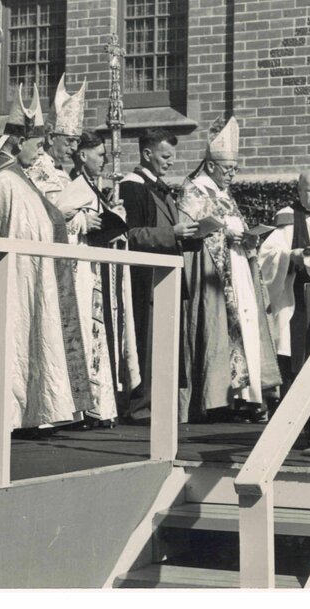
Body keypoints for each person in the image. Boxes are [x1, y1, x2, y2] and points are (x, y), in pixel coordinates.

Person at [0, 84, 91, 434]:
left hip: (34, 280)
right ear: (18, 141)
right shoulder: (2, 182)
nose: (43, 150)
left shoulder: (22, 179)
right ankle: (9, 416)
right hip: (11, 283)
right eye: (38, 143)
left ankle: (32, 412)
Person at [179, 116, 281, 423]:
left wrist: (248, 237)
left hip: (238, 273)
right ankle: (217, 399)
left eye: (235, 170)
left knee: (246, 330)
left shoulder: (224, 194)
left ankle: (243, 397)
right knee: (220, 332)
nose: (232, 176)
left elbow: (233, 225)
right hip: (216, 276)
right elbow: (196, 231)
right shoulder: (194, 191)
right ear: (210, 165)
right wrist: (227, 235)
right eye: (227, 170)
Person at [56, 128, 136, 428]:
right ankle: (81, 409)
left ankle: (98, 407)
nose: (104, 160)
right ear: (83, 155)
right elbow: (56, 215)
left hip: (95, 272)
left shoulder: (91, 185)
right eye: (100, 154)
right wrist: (81, 220)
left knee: (98, 337)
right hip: (79, 273)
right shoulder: (73, 184)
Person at [117, 129, 197, 416]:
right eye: (165, 156)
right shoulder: (132, 186)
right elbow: (131, 234)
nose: (171, 162)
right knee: (147, 342)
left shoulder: (160, 187)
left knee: (167, 342)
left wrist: (190, 235)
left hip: (167, 276)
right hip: (146, 279)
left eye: (173, 156)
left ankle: (163, 403)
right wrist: (170, 233)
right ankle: (142, 405)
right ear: (146, 154)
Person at [259, 169, 310, 395]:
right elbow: (268, 254)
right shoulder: (286, 216)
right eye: (309, 190)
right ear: (299, 191)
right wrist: (290, 256)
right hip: (294, 291)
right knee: (292, 347)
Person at [25, 75, 85, 203]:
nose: (74, 147)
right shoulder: (36, 168)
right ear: (51, 138)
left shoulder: (61, 170)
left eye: (77, 141)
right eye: (69, 140)